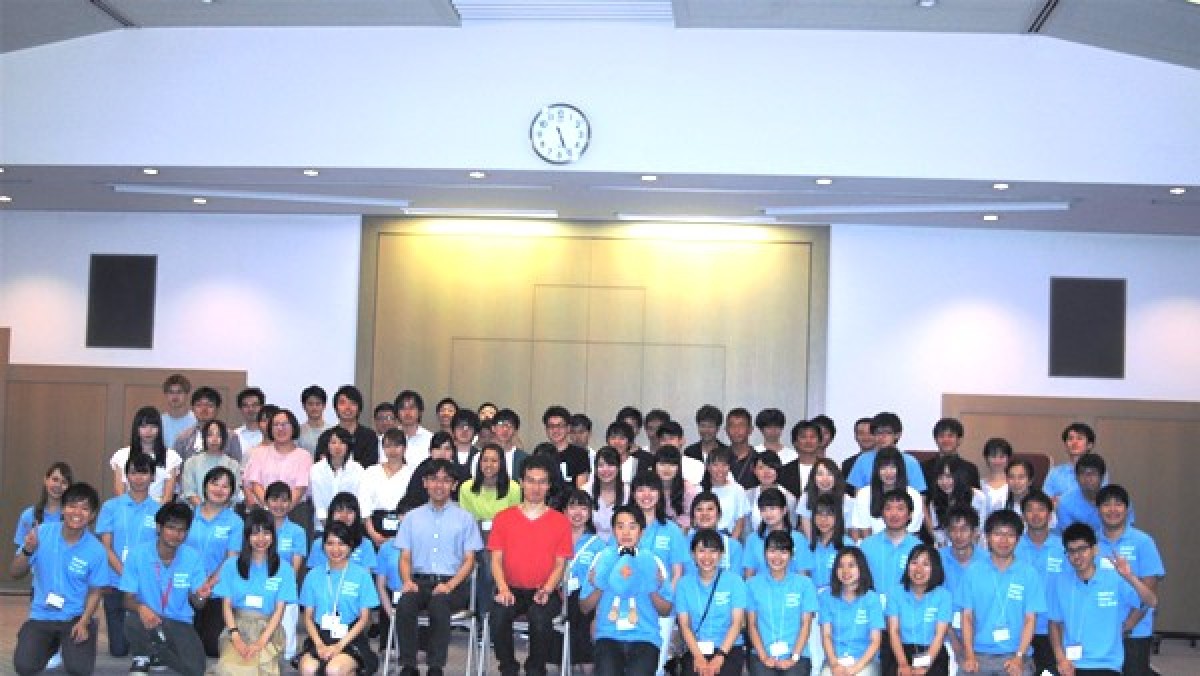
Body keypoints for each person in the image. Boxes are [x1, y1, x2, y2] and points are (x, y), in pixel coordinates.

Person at [393, 458, 483, 676]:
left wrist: (450, 585)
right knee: (405, 604)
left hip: (453, 584)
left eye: (445, 480)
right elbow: (405, 557)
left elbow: (470, 560)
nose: (439, 485)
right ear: (425, 483)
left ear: (454, 485)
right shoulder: (412, 518)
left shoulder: (465, 518)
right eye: (433, 479)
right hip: (419, 581)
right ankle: (409, 665)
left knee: (439, 604)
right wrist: (407, 581)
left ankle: (435, 666)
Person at [487, 454, 573, 676]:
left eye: (542, 482)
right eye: (531, 481)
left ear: (549, 485)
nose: (536, 487)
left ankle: (536, 669)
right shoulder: (503, 518)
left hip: (545, 590)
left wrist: (548, 589)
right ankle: (508, 667)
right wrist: (503, 588)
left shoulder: (560, 522)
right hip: (510, 588)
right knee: (498, 615)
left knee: (540, 617)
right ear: (521, 483)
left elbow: (560, 564)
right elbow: (495, 560)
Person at [10, 482, 107, 676]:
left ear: (92, 515)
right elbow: (15, 572)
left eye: (84, 508)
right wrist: (28, 550)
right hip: (42, 615)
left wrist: (84, 621)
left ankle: (85, 631)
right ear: (63, 508)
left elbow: (96, 591)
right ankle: (50, 642)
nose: (77, 512)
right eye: (72, 506)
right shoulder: (42, 533)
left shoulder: (96, 550)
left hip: (75, 617)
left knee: (79, 670)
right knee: (24, 667)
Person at [1047, 523, 1158, 676]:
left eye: (1082, 549)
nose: (1077, 556)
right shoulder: (1061, 582)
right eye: (1071, 551)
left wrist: (1130, 577)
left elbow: (1152, 601)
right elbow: (1054, 623)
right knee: (1043, 673)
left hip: (1105, 665)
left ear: (1095, 550)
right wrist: (1061, 659)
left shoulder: (1115, 579)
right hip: (1069, 664)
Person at [580, 505, 675, 676]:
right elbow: (584, 607)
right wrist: (600, 584)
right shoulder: (601, 559)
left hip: (644, 637)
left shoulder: (653, 561)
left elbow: (666, 610)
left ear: (641, 532)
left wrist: (652, 587)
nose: (626, 532)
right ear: (613, 530)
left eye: (632, 527)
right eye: (620, 526)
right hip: (608, 636)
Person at [118, 502, 209, 676]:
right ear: (159, 527)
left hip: (179, 621)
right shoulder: (137, 554)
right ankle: (142, 656)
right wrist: (141, 608)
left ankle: (158, 652)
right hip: (147, 617)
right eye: (171, 528)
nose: (176, 534)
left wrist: (201, 596)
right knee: (132, 618)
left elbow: (198, 604)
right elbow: (127, 599)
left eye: (181, 530)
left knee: (196, 669)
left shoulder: (193, 557)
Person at [956, 509, 1046, 676]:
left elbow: (1030, 620)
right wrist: (969, 654)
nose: (1004, 540)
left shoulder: (1029, 574)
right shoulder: (973, 572)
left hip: (1016, 654)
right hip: (978, 653)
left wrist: (1019, 657)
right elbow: (966, 617)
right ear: (988, 537)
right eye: (998, 534)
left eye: (1010, 535)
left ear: (1018, 539)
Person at [212, 507, 298, 674]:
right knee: (228, 668)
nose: (261, 539)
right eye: (255, 533)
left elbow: (279, 611)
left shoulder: (284, 569)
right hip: (237, 627)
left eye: (266, 533)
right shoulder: (231, 565)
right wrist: (236, 637)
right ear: (247, 536)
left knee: (256, 669)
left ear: (273, 536)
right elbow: (226, 605)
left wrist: (261, 642)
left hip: (268, 629)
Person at [1094, 485, 1163, 676]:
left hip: (1135, 632)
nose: (1112, 510)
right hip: (1100, 632)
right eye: (1106, 505)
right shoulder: (1091, 543)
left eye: (1118, 504)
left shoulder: (1143, 542)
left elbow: (1150, 590)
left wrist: (1127, 626)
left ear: (1127, 509)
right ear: (1098, 510)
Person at [96, 452, 160, 658]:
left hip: (145, 582)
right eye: (133, 473)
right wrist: (127, 574)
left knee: (148, 640)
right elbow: (105, 548)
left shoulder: (159, 511)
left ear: (152, 477)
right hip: (116, 580)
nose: (138, 478)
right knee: (119, 650)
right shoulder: (111, 507)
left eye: (144, 473)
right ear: (126, 476)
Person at [298, 521, 381, 675]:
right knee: (308, 669)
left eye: (341, 544)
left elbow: (364, 619)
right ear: (323, 546)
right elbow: (308, 617)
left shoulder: (362, 575)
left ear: (350, 546)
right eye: (330, 543)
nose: (335, 549)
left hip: (350, 637)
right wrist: (319, 645)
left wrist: (339, 646)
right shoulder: (313, 575)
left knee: (334, 669)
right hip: (320, 636)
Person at [857, 489, 921, 669]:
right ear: (881, 513)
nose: (894, 514)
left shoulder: (919, 548)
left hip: (907, 623)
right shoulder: (867, 546)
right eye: (888, 508)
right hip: (873, 621)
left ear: (910, 515)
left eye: (900, 508)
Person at [185, 466, 245, 657]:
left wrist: (209, 583)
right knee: (187, 644)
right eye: (215, 484)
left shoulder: (235, 522)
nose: (219, 489)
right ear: (205, 486)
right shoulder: (188, 516)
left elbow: (232, 557)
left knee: (212, 648)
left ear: (231, 492)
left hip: (217, 589)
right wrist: (195, 583)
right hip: (187, 586)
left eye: (225, 486)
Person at [676, 528, 749, 676]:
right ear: (693, 554)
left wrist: (720, 656)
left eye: (713, 551)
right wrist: (698, 657)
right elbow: (684, 625)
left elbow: (736, 624)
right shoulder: (684, 584)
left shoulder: (735, 582)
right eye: (701, 551)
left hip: (728, 648)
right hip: (695, 648)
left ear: (721, 554)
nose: (707, 557)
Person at [745, 530, 820, 676]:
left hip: (797, 655)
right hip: (761, 654)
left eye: (783, 552)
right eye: (772, 551)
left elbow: (806, 624)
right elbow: (752, 625)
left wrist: (794, 657)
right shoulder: (752, 585)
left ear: (791, 555)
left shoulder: (805, 584)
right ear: (765, 554)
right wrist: (764, 657)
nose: (777, 557)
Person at [1016, 490, 1064, 676]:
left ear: (1050, 515)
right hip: (1019, 629)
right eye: (1030, 510)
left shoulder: (1063, 547)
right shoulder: (1012, 547)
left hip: (1055, 629)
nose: (1035, 514)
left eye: (1041, 509)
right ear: (1023, 515)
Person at [885, 545, 953, 676]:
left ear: (935, 568)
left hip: (932, 651)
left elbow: (939, 635)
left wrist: (925, 666)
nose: (918, 569)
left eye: (925, 564)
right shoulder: (895, 593)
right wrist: (903, 664)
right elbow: (893, 631)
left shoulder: (944, 596)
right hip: (900, 650)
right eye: (914, 563)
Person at [819, 547, 884, 676]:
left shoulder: (871, 599)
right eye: (841, 566)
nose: (845, 571)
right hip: (835, 660)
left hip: (865, 661)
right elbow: (826, 635)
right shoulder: (827, 597)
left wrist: (855, 668)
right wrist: (834, 664)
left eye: (851, 565)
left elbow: (875, 640)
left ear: (861, 568)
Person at [807, 494, 853, 676]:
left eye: (829, 514)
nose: (823, 520)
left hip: (839, 606)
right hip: (813, 607)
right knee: (815, 658)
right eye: (819, 514)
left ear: (838, 517)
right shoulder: (808, 545)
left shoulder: (847, 545)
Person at [263, 480, 307, 663]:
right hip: (261, 586)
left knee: (287, 649)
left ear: (290, 503)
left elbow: (295, 568)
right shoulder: (259, 529)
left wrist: (281, 588)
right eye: (274, 499)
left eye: (284, 500)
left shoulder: (297, 532)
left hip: (285, 587)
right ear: (266, 502)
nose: (279, 505)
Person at [565, 489, 607, 674]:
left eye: (583, 508)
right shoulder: (555, 537)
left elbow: (600, 580)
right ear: (565, 510)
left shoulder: (598, 544)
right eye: (573, 507)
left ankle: (585, 664)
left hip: (585, 598)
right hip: (557, 593)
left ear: (590, 513)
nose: (578, 513)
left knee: (581, 616)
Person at [243, 408, 313, 511]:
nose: (280, 428)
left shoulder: (304, 456)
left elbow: (300, 488)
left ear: (293, 427)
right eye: (276, 425)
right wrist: (270, 507)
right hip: (264, 509)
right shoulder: (258, 454)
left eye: (284, 424)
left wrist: (282, 509)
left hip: (295, 510)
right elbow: (255, 484)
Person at [111, 406, 182, 503]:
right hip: (128, 507)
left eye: (153, 426)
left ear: (159, 429)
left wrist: (155, 510)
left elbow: (168, 496)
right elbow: (119, 492)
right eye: (143, 426)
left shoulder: (171, 456)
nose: (148, 431)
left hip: (159, 508)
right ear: (136, 428)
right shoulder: (121, 455)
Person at [851, 449, 925, 539]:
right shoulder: (864, 494)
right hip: (872, 544)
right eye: (883, 468)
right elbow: (864, 532)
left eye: (893, 467)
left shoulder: (914, 495)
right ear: (877, 470)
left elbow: (912, 534)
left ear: (900, 469)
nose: (888, 472)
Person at [845, 413, 926, 495]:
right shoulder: (863, 460)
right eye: (878, 432)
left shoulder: (910, 461)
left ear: (897, 435)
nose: (882, 437)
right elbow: (858, 493)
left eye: (887, 432)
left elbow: (920, 495)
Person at [742, 487, 814, 579]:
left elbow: (803, 575)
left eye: (772, 508)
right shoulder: (753, 539)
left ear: (784, 510)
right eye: (763, 509)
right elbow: (749, 576)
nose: (768, 514)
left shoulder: (798, 539)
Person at [360, 428, 414, 547]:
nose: (393, 450)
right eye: (388, 446)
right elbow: (364, 504)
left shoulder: (413, 473)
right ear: (383, 448)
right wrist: (372, 533)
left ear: (405, 448)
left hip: (403, 526)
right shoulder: (371, 471)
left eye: (397, 445)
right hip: (374, 526)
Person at [396, 430, 471, 513]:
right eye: (438, 448)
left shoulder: (461, 472)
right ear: (430, 451)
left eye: (447, 449)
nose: (442, 453)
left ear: (453, 452)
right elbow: (411, 498)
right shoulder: (422, 470)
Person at [309, 426, 365, 533]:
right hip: (323, 527)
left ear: (348, 445)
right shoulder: (316, 469)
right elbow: (318, 504)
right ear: (327, 445)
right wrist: (331, 531)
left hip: (351, 527)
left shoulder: (358, 469)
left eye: (342, 442)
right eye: (333, 442)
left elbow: (359, 502)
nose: (338, 446)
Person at [924, 455, 986, 548]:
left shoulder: (978, 497)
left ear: (959, 476)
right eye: (940, 477)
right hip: (946, 550)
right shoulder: (935, 502)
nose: (944, 482)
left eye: (949, 476)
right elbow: (938, 534)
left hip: (974, 548)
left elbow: (980, 530)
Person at [306, 492, 378, 571]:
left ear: (356, 515)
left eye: (349, 511)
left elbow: (366, 576)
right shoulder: (318, 544)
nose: (344, 515)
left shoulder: (365, 544)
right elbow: (314, 575)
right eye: (339, 511)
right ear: (331, 514)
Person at [180, 419, 242, 507]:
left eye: (219, 435)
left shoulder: (233, 465)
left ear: (224, 439)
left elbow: (233, 494)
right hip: (196, 511)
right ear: (204, 438)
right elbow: (189, 492)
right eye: (210, 435)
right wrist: (205, 510)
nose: (214, 439)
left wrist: (217, 511)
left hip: (224, 511)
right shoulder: (191, 462)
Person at [315, 385, 379, 468]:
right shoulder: (326, 436)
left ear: (359, 407)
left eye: (353, 403)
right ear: (336, 407)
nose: (348, 407)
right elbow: (320, 465)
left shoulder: (369, 436)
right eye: (342, 403)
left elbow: (370, 465)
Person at [13, 462, 71, 552]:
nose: (58, 485)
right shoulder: (29, 515)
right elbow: (19, 553)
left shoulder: (72, 517)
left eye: (64, 482)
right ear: (46, 480)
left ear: (69, 487)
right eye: (55, 479)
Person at [687, 491, 744, 577]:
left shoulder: (733, 546)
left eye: (710, 509)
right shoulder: (682, 544)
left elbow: (736, 579)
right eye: (699, 509)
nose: (704, 513)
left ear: (719, 515)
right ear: (693, 516)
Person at [1056, 454, 1115, 532]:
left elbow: (1125, 531)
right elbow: (1069, 535)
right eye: (1082, 473)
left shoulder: (1117, 500)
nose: (1087, 478)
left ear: (1102, 477)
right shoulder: (1065, 502)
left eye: (1093, 473)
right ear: (1076, 478)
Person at [703, 445, 751, 540]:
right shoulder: (700, 489)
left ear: (729, 467)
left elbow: (740, 522)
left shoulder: (737, 489)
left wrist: (731, 544)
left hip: (729, 537)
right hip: (705, 537)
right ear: (708, 467)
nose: (720, 469)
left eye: (724, 465)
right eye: (715, 465)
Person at [1044, 423, 1100, 503]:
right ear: (1065, 445)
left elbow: (1097, 501)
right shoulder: (1054, 472)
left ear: (1089, 445)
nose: (1074, 442)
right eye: (1070, 439)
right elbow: (1045, 502)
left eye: (1079, 438)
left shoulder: (1098, 472)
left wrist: (1061, 499)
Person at [798, 458, 853, 540]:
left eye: (830, 474)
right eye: (820, 474)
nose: (825, 478)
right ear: (813, 477)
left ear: (836, 477)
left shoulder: (847, 500)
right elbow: (808, 535)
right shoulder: (806, 498)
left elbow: (848, 531)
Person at [921, 418, 980, 490]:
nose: (946, 440)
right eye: (941, 436)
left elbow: (975, 495)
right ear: (935, 440)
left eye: (950, 436)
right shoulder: (924, 467)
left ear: (959, 440)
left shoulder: (970, 469)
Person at [747, 451, 797, 532]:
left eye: (771, 467)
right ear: (754, 471)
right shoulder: (747, 496)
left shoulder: (789, 498)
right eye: (761, 467)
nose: (766, 472)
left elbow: (792, 526)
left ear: (778, 470)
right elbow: (746, 528)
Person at [172, 386, 223, 463]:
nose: (204, 410)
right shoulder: (183, 438)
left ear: (218, 409)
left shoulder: (230, 437)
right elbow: (176, 466)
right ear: (192, 409)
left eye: (210, 405)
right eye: (199, 405)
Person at [544, 405, 591, 487]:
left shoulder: (580, 454)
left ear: (568, 428)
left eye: (559, 425)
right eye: (551, 426)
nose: (555, 430)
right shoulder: (542, 453)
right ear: (546, 429)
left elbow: (581, 489)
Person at [656, 445, 699, 530]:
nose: (667, 469)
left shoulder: (689, 491)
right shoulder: (649, 488)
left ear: (679, 467)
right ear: (655, 466)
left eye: (672, 464)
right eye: (662, 464)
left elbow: (690, 519)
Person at [589, 446, 626, 540]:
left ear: (619, 467)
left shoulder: (629, 493)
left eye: (610, 465)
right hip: (591, 545)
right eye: (601, 465)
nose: (605, 469)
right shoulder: (586, 491)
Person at [779, 420, 821, 497]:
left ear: (819, 442)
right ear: (795, 442)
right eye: (803, 437)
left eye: (812, 437)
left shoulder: (829, 469)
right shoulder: (784, 471)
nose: (808, 441)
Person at [606, 420, 654, 485]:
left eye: (622, 438)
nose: (617, 442)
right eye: (613, 438)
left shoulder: (639, 464)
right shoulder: (602, 463)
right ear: (608, 441)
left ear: (630, 442)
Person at [226, 387, 266, 464]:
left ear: (262, 407)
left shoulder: (270, 435)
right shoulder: (233, 435)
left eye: (255, 405)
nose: (250, 409)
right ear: (240, 409)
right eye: (246, 406)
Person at [394, 389, 434, 467]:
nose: (407, 412)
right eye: (403, 408)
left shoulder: (431, 439)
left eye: (412, 408)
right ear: (397, 413)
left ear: (420, 412)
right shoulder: (386, 439)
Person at [724, 407, 760, 489]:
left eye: (741, 425)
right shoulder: (719, 458)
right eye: (732, 425)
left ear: (750, 429)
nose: (736, 430)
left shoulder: (759, 460)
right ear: (726, 430)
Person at [839, 418, 876, 493]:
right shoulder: (847, 464)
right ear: (855, 436)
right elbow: (847, 493)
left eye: (870, 433)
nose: (866, 437)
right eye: (861, 433)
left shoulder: (885, 459)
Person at [160, 374, 197, 450]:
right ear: (166, 395)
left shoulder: (196, 420)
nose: (175, 396)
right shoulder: (159, 421)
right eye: (171, 392)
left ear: (187, 395)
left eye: (179, 392)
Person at [297, 384, 330, 455]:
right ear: (304, 406)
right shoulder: (298, 432)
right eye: (310, 404)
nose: (314, 408)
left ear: (324, 406)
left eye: (318, 404)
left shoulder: (331, 431)